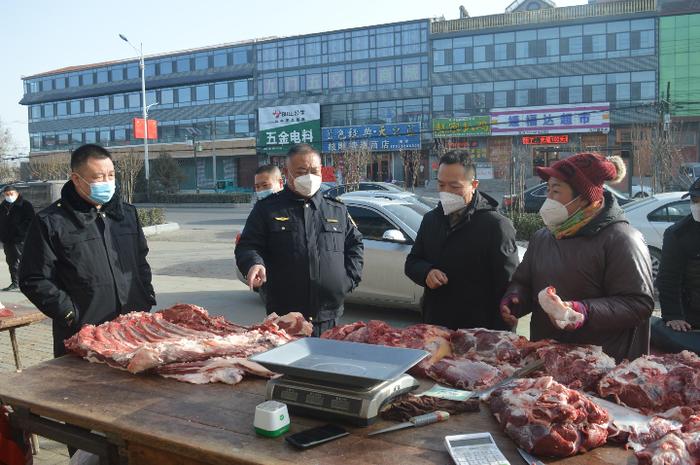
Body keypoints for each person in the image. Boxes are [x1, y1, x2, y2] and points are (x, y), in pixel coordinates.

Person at [500, 152, 654, 362]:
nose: (549, 199)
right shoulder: (544, 237)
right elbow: (524, 282)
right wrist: (515, 300)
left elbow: (638, 304)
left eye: (556, 191)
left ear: (583, 196)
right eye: (548, 190)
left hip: (599, 364)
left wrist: (581, 312)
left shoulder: (622, 239)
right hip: (546, 357)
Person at [19, 144, 156, 357]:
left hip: (132, 330)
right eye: (98, 177)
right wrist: (69, 313)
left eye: (111, 175)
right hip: (83, 335)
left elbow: (140, 262)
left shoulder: (127, 214)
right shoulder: (51, 222)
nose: (107, 182)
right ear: (76, 179)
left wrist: (146, 296)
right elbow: (34, 278)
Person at [235, 143, 363, 336]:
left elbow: (355, 244)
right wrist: (254, 263)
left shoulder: (336, 209)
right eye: (302, 171)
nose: (309, 176)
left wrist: (347, 280)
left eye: (314, 171)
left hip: (329, 316)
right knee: (285, 366)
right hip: (285, 319)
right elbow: (248, 245)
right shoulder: (267, 209)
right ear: (288, 172)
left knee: (326, 364)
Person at [404, 151, 519, 330]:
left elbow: (508, 287)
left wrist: (500, 340)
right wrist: (426, 272)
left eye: (455, 187)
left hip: (478, 333)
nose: (446, 192)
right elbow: (412, 262)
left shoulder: (496, 225)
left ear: (474, 185)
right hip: (436, 326)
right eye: (441, 185)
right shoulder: (431, 220)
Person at [652, 178, 700, 353]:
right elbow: (668, 278)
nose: (697, 205)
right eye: (694, 200)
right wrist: (673, 315)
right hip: (692, 320)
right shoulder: (678, 234)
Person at [0, 185, 35, 291]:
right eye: (6, 194)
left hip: (21, 239)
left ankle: (29, 282)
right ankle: (15, 282)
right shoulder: (3, 205)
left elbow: (31, 221)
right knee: (11, 261)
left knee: (23, 261)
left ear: (16, 193)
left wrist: (20, 231)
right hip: (7, 239)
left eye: (11, 194)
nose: (9, 196)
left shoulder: (25, 205)